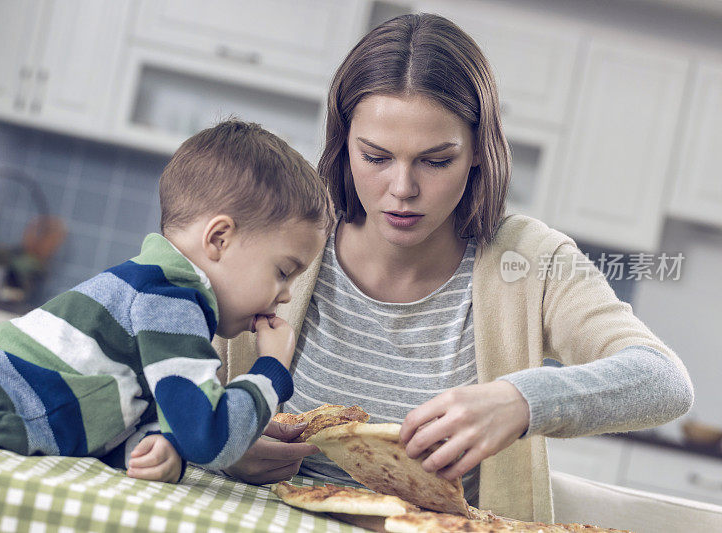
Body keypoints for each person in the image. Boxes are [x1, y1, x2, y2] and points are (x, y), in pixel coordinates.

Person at [127, 13, 694, 523]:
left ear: (478, 151)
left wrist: (521, 400)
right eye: (375, 157)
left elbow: (663, 381)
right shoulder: (281, 237)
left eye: (435, 160)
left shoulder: (529, 262)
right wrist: (217, 441)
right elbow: (127, 376)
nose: (402, 190)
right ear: (342, 142)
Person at [0, 120, 333, 492]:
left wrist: (160, 448)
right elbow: (206, 437)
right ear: (219, 239)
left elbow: (107, 416)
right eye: (283, 271)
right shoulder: (173, 299)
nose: (286, 296)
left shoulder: (156, 293)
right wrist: (270, 371)